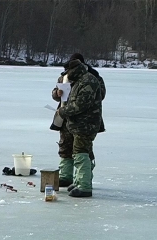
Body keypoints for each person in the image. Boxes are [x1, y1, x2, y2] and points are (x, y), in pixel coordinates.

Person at [51, 53, 106, 191]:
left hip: (84, 121)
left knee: (82, 150)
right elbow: (55, 92)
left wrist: (63, 111)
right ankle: (69, 177)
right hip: (68, 120)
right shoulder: (66, 77)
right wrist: (57, 93)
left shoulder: (91, 78)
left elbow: (87, 101)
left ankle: (83, 183)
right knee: (66, 147)